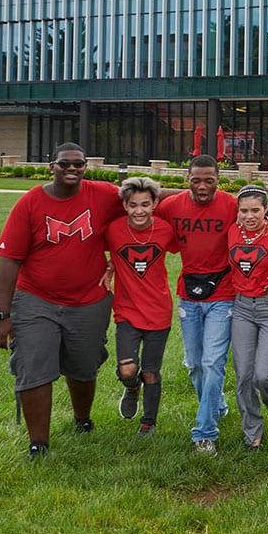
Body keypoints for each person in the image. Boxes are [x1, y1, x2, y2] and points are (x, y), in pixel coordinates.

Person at [0, 142, 124, 457]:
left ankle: (82, 419)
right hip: (36, 299)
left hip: (89, 299)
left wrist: (200, 196)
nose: (71, 169)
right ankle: (39, 442)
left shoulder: (103, 194)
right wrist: (2, 316)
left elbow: (143, 201)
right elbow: (9, 261)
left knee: (83, 365)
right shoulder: (30, 203)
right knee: (34, 365)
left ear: (85, 167)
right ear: (52, 166)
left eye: (78, 164)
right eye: (64, 164)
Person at [156, 155, 238, 454]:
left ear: (219, 179)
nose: (202, 186)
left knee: (212, 362)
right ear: (186, 179)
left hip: (223, 293)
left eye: (209, 180)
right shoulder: (171, 207)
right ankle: (217, 405)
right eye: (196, 180)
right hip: (188, 294)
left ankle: (205, 432)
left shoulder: (231, 205)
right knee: (194, 364)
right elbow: (144, 223)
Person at [102, 177, 179, 440]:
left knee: (150, 370)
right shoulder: (113, 230)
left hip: (159, 311)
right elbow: (90, 250)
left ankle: (148, 422)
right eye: (133, 205)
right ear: (124, 205)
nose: (139, 211)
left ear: (155, 204)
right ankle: (131, 388)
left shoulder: (166, 230)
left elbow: (187, 250)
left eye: (146, 204)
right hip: (127, 310)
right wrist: (109, 267)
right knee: (127, 370)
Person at [226, 185, 268, 450]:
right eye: (244, 211)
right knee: (243, 375)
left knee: (264, 375)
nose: (249, 216)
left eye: (255, 210)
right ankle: (252, 428)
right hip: (241, 308)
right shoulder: (231, 231)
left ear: (266, 210)